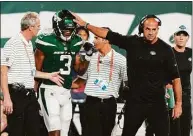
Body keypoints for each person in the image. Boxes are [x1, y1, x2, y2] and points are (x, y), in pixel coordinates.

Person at [72, 13, 182, 136]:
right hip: (135, 103)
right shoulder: (132, 42)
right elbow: (107, 34)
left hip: (157, 103)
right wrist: (86, 25)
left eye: (154, 29)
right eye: (147, 29)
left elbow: (176, 78)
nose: (151, 32)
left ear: (158, 29)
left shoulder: (166, 49)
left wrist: (178, 104)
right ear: (142, 29)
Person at [1, 12, 64, 136]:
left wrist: (49, 75)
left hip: (29, 95)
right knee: (16, 132)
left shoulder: (29, 44)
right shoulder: (13, 43)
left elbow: (30, 71)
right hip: (16, 94)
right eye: (38, 26)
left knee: (34, 130)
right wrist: (7, 98)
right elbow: (3, 72)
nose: (39, 29)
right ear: (30, 27)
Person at [34, 10, 94, 136]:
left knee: (65, 132)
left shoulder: (76, 42)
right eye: (65, 29)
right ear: (56, 27)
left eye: (70, 29)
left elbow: (79, 70)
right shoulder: (46, 41)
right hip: (49, 89)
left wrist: (87, 57)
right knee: (54, 128)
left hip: (66, 91)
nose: (68, 32)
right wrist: (35, 91)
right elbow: (35, 70)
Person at [72, 27, 128, 136]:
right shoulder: (90, 57)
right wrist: (57, 84)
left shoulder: (121, 60)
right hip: (91, 103)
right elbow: (80, 82)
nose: (93, 41)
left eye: (97, 38)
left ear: (106, 39)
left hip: (109, 104)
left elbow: (128, 84)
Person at [70, 26, 90, 136]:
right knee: (67, 120)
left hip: (86, 93)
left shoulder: (92, 51)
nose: (82, 37)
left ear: (88, 37)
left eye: (84, 35)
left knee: (85, 122)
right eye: (79, 34)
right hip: (70, 90)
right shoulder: (70, 49)